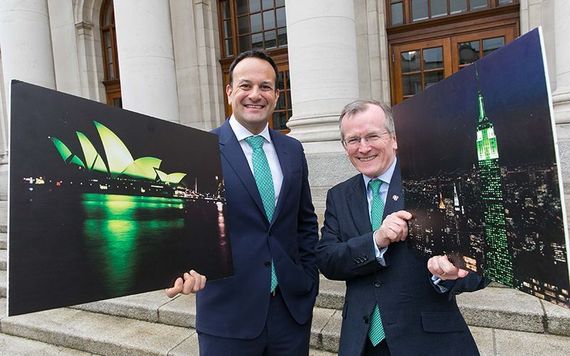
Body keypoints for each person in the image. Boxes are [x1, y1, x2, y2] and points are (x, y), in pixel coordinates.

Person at [165, 50, 319, 356]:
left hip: (290, 313)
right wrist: (179, 271)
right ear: (229, 92)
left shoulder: (292, 150)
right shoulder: (200, 150)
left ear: (276, 95)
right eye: (245, 85)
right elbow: (183, 228)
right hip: (228, 316)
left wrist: (308, 278)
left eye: (265, 87)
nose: (255, 95)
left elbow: (305, 222)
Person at [316, 99, 487, 356]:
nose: (363, 148)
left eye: (373, 136)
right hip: (361, 343)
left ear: (394, 139)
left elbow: (482, 265)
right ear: (344, 146)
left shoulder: (433, 184)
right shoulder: (339, 196)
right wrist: (376, 240)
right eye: (353, 140)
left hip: (427, 342)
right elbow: (328, 260)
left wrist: (447, 273)